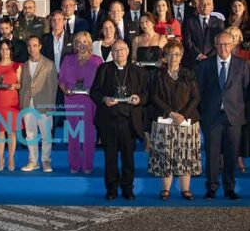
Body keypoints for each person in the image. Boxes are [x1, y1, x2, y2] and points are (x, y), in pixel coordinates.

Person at [90, 39, 148, 200]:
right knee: (110, 158)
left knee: (128, 158)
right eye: (115, 50)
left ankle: (128, 189)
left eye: (122, 50)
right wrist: (104, 99)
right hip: (109, 121)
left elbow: (146, 94)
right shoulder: (103, 69)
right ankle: (111, 189)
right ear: (111, 54)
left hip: (129, 122)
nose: (119, 53)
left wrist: (139, 99)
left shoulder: (138, 71)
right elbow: (94, 92)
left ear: (128, 51)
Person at [197, 31, 250, 200]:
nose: (223, 47)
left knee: (231, 155)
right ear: (214, 45)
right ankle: (211, 188)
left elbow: (246, 91)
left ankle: (229, 188)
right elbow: (199, 91)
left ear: (233, 44)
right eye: (219, 44)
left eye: (226, 44)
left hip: (234, 118)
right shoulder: (206, 65)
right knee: (212, 155)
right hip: (212, 118)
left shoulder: (242, 65)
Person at [146, 40, 201, 200]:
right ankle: (166, 189)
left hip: (186, 122)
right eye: (170, 54)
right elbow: (154, 97)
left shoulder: (189, 74)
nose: (173, 57)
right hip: (165, 122)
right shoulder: (157, 74)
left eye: (177, 54)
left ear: (182, 56)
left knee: (186, 155)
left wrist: (182, 114)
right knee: (166, 155)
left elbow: (196, 97)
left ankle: (186, 189)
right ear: (165, 57)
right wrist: (170, 113)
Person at [59, 32, 102, 174]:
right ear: (75, 45)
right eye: (79, 42)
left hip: (89, 101)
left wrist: (94, 91)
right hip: (71, 100)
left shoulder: (97, 60)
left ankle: (88, 165)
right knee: (73, 133)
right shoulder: (68, 59)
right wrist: (65, 90)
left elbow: (101, 82)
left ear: (89, 44)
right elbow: (61, 81)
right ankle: (74, 165)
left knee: (89, 134)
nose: (82, 45)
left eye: (85, 42)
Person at [20, 36, 58, 172]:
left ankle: (46, 160)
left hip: (44, 105)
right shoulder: (24, 65)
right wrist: (22, 105)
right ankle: (33, 161)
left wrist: (50, 106)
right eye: (29, 46)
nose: (32, 48)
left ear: (40, 46)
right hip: (28, 105)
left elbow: (53, 87)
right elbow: (23, 87)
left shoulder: (49, 64)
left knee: (46, 135)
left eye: (35, 45)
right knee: (30, 135)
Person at [0, 39, 22, 171]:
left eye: (7, 49)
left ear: (11, 51)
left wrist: (14, 86)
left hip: (12, 102)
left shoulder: (17, 66)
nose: (4, 52)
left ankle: (11, 158)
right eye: (2, 49)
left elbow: (20, 84)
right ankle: (0, 159)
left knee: (11, 132)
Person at [224, 26, 250, 173]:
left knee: (239, 130)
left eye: (235, 35)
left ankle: (238, 157)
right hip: (224, 101)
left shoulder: (245, 55)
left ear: (240, 38)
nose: (232, 38)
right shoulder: (220, 54)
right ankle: (222, 158)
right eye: (230, 35)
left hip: (241, 100)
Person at [183, 0, 225, 69]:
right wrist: (198, 55)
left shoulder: (218, 22)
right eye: (203, 4)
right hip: (195, 62)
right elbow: (187, 41)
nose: (205, 6)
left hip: (213, 60)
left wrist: (209, 57)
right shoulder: (190, 22)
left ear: (212, 7)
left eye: (208, 4)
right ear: (198, 7)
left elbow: (220, 41)